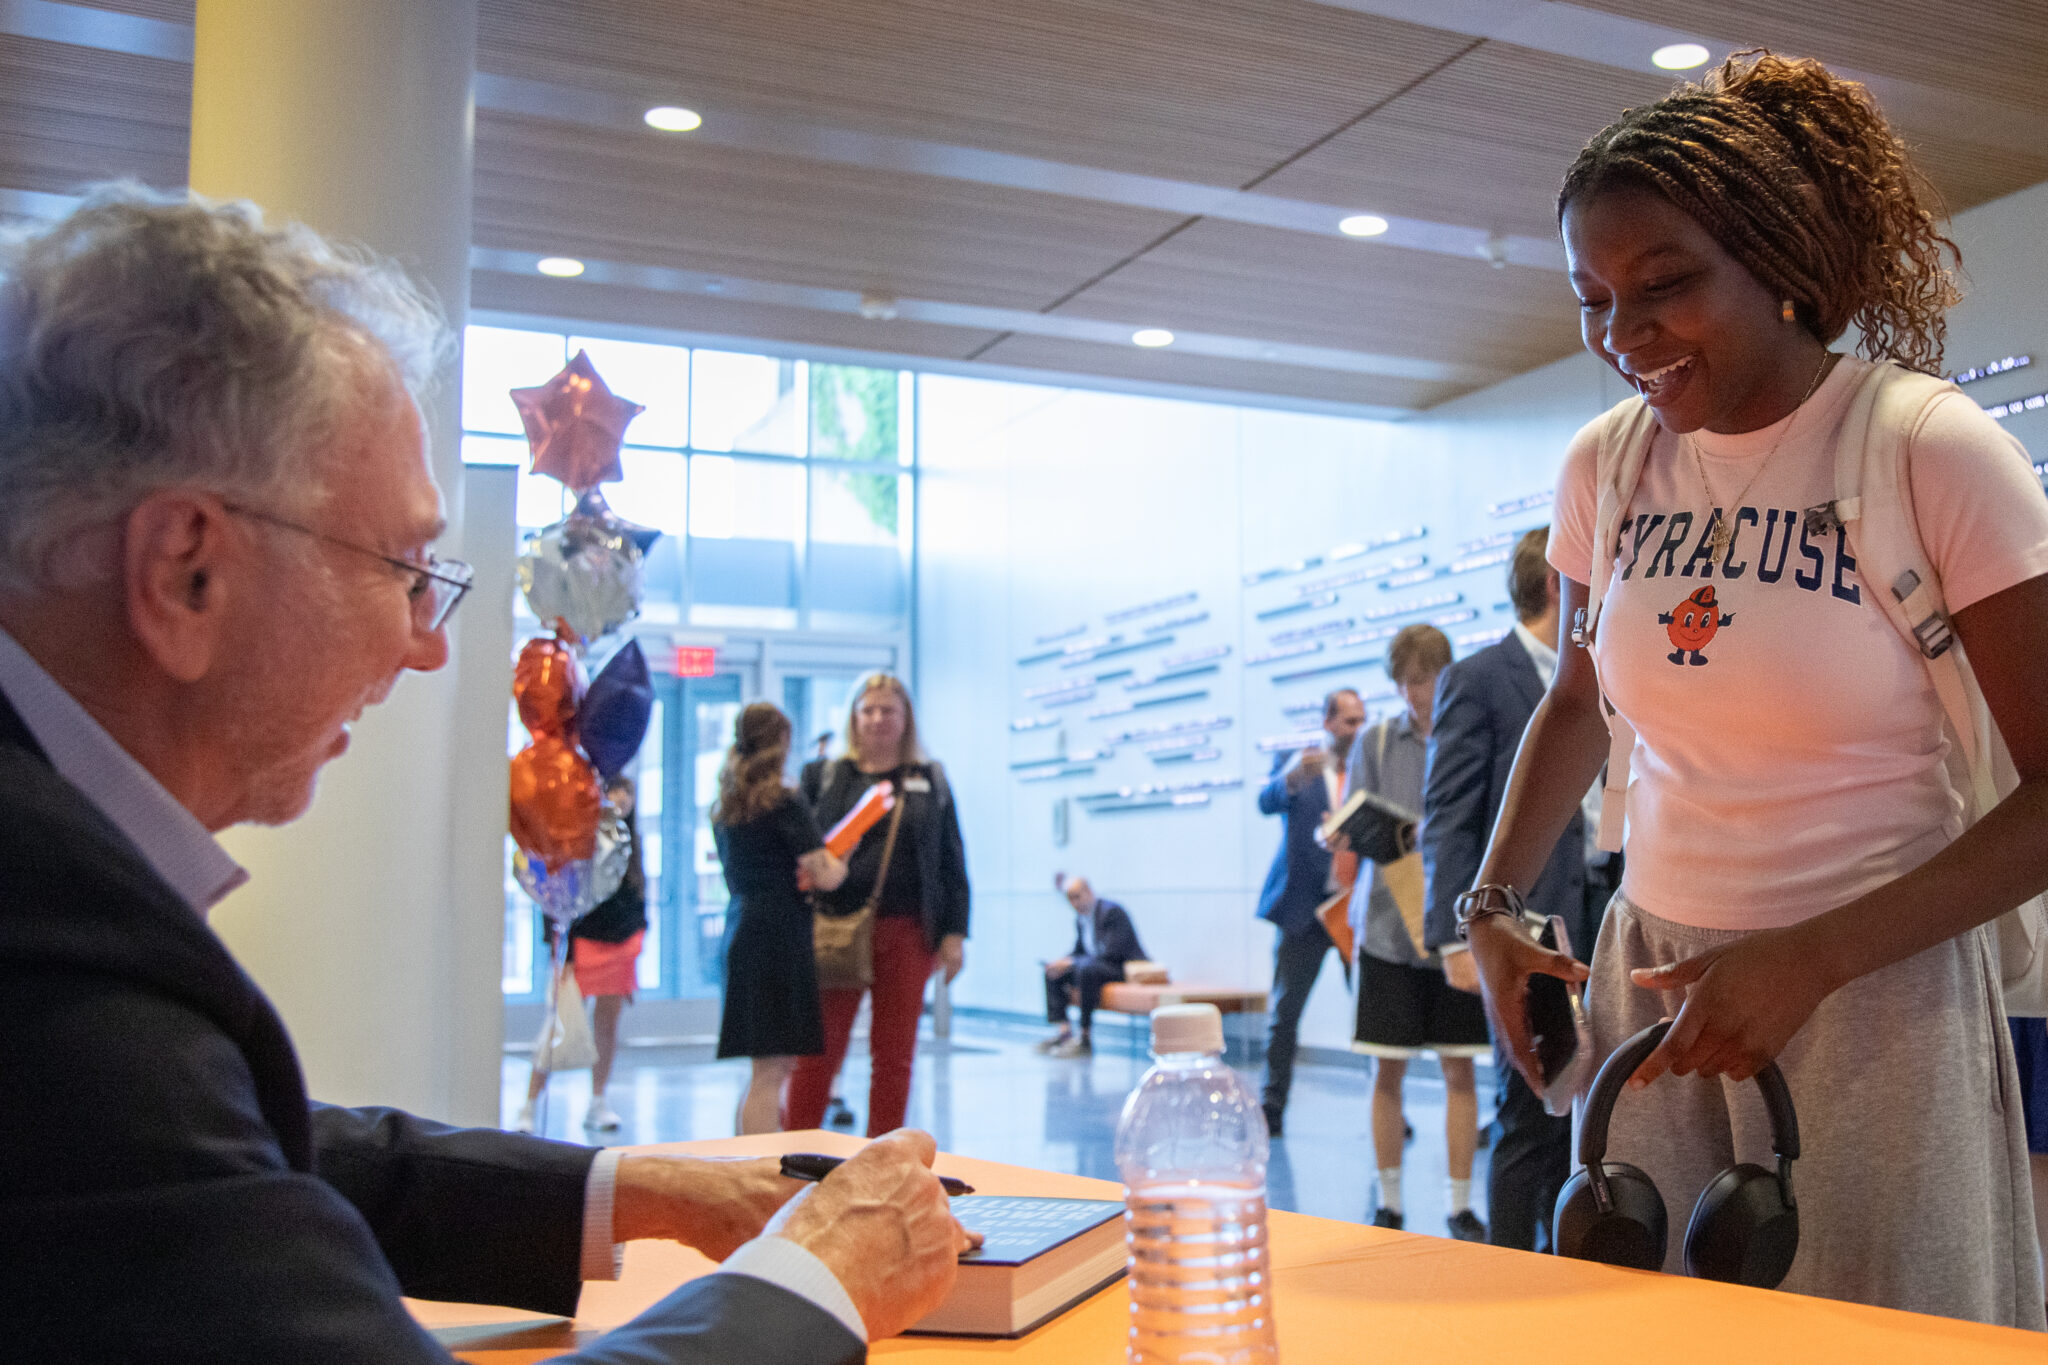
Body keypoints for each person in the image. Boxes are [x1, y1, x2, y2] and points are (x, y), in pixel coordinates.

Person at [0, 186, 974, 1362]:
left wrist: (654, 1191)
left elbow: (243, 1157)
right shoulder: (49, 953)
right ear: (185, 570)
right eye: (403, 566)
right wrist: (818, 1283)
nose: (427, 642)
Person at [1463, 53, 2048, 1327]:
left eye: (1664, 287)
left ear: (1778, 260)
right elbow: (1576, 700)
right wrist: (1492, 900)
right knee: (1654, 1332)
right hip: (1650, 978)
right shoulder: (1606, 469)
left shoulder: (1923, 448)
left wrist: (1812, 960)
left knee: (1878, 1332)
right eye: (1591, 299)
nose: (1623, 338)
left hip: (1869, 988)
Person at [1421, 527, 1603, 1252]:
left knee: (1592, 1105)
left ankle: (1567, 1260)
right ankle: (1506, 1268)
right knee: (1531, 1107)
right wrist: (1458, 934)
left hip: (1600, 913)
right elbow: (1449, 818)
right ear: (1559, 583)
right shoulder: (1480, 678)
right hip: (1523, 926)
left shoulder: (1603, 673)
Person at [1341, 625, 1489, 1240]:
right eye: (1401, 682)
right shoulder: (1375, 741)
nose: (1411, 694)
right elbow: (1353, 823)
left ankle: (1459, 1204)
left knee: (1460, 1069)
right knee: (1388, 1071)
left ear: (1444, 675)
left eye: (1420, 680)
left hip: (1453, 928)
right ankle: (1390, 1201)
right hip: (1387, 931)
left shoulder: (1470, 730)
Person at [786, 674, 971, 1136]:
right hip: (834, 927)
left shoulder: (930, 778)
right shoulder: (825, 775)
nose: (877, 719)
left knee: (894, 1057)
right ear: (852, 716)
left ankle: (883, 1160)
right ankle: (791, 1158)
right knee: (818, 1053)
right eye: (867, 710)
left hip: (908, 931)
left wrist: (954, 933)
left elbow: (952, 860)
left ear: (905, 718)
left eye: (888, 710)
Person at [712, 702, 848, 1135]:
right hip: (778, 934)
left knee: (765, 1068)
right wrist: (842, 861)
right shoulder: (783, 800)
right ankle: (757, 1165)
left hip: (742, 926)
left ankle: (745, 1157)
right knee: (771, 1071)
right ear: (782, 742)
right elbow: (824, 872)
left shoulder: (727, 803)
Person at [1254, 686, 1365, 1136]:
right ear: (1328, 723)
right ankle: (1272, 1104)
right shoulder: (1302, 766)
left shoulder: (1367, 769)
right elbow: (1266, 802)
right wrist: (1290, 779)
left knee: (1373, 1014)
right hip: (1302, 910)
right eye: (1350, 721)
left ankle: (1391, 1111)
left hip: (1350, 910)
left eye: (1362, 720)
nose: (1358, 729)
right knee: (1286, 1014)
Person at [518, 772, 649, 1135]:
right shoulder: (576, 835)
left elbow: (638, 888)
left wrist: (639, 935)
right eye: (613, 790)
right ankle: (530, 1104)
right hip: (581, 940)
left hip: (622, 938)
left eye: (626, 791)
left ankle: (598, 1099)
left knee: (607, 1025)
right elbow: (557, 892)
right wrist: (561, 952)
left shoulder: (630, 840)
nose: (620, 798)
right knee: (558, 1023)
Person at [1037, 873, 1147, 1057]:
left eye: (1077, 897)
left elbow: (1114, 952)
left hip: (1122, 967)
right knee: (1054, 972)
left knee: (1086, 969)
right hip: (1095, 967)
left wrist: (1072, 962)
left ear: (1089, 892)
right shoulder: (1081, 919)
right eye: (1070, 899)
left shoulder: (1111, 912)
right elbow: (1079, 950)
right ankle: (1064, 1032)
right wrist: (1061, 963)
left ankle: (1085, 1037)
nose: (1075, 903)